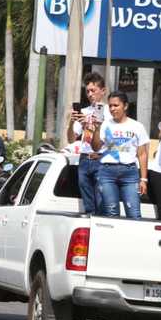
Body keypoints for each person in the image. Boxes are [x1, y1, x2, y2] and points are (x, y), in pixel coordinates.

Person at [91, 92, 150, 219]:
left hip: (129, 172)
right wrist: (97, 128)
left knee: (134, 214)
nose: (112, 109)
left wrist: (144, 179)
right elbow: (95, 147)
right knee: (112, 213)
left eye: (116, 105)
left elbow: (142, 154)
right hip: (107, 172)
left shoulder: (137, 126)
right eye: (110, 106)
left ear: (125, 106)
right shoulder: (105, 124)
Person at [67, 71, 112, 214]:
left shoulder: (111, 112)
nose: (90, 94)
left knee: (101, 201)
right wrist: (71, 122)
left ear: (103, 91)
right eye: (87, 91)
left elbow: (117, 139)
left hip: (102, 159)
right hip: (84, 159)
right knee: (88, 204)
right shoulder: (84, 111)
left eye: (93, 90)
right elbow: (71, 139)